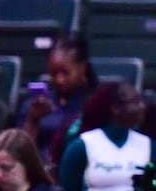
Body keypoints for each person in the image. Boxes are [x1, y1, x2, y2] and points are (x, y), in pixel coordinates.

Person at [15, 36, 97, 165]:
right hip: (40, 174)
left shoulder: (96, 103)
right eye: (54, 74)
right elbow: (19, 154)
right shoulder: (35, 104)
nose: (60, 80)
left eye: (65, 73)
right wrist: (33, 121)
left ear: (82, 68)